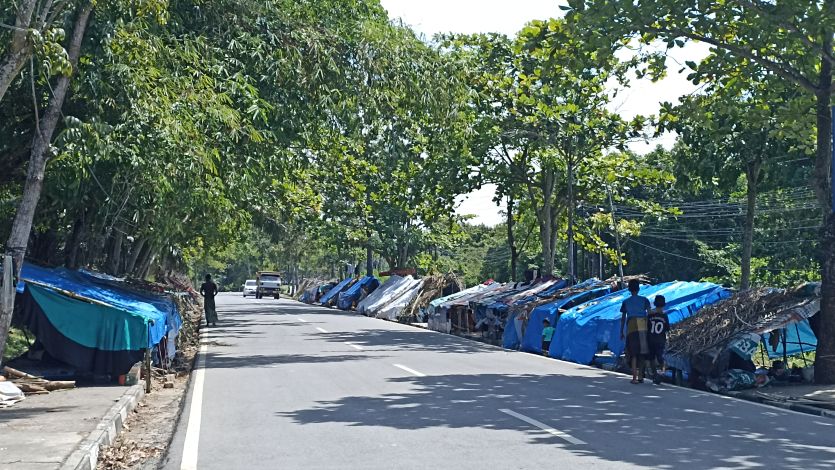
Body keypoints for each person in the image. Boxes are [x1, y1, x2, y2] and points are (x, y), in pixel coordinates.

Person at [619, 279, 651, 384]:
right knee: (642, 352)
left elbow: (623, 318)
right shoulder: (645, 300)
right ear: (639, 289)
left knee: (633, 354)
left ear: (629, 289)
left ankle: (634, 378)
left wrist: (621, 331)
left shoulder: (626, 302)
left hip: (631, 326)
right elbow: (650, 314)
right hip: (643, 325)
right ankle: (641, 376)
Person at [647, 295, 670, 385]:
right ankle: (662, 372)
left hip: (650, 339)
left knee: (652, 358)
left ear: (655, 304)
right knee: (661, 358)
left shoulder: (650, 315)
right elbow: (667, 328)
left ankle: (654, 374)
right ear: (663, 304)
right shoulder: (664, 316)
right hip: (660, 340)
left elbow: (647, 327)